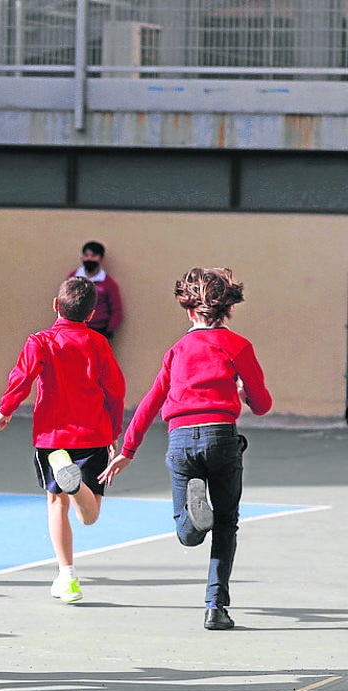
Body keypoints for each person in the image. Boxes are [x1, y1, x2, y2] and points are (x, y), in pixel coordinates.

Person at [101, 267, 271, 631]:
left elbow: (151, 400)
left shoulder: (177, 351)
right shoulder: (238, 346)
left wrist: (126, 450)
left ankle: (193, 523)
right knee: (227, 523)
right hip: (221, 436)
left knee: (186, 532)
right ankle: (215, 606)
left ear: (190, 311)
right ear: (228, 310)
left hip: (180, 439)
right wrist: (241, 394)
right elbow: (262, 404)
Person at [0, 276, 126, 603]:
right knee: (89, 516)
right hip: (92, 433)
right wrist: (114, 431)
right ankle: (77, 486)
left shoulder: (40, 341)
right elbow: (116, 391)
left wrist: (6, 410)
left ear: (55, 305)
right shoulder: (98, 343)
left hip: (52, 439)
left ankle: (67, 576)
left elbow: (22, 376)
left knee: (56, 504)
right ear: (92, 313)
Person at [68, 241, 123, 339]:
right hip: (75, 329)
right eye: (86, 255)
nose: (89, 259)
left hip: (98, 331)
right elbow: (65, 303)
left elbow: (116, 310)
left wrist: (109, 330)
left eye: (93, 256)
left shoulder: (108, 283)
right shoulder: (73, 278)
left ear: (101, 259)